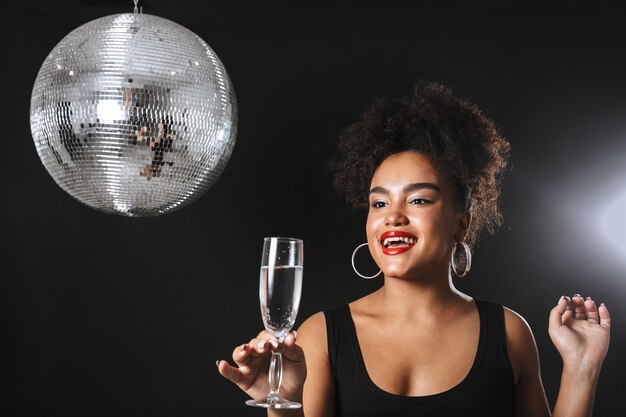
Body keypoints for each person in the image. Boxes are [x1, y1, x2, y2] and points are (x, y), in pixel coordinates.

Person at [216, 80, 611, 416]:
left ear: (461, 222)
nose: (393, 217)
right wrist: (282, 399)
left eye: (419, 200)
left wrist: (581, 367)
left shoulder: (509, 333)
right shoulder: (319, 335)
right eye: (379, 203)